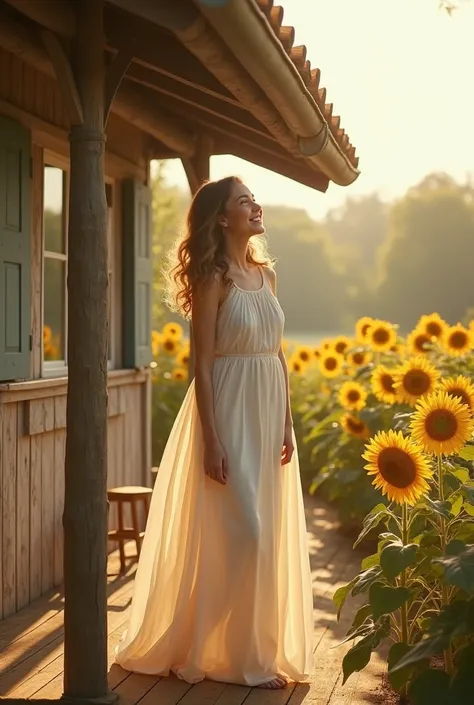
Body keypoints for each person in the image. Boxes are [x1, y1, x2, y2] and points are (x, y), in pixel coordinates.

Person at [115, 176, 313, 690]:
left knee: (263, 536)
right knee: (244, 533)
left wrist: (288, 421)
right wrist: (212, 438)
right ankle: (205, 646)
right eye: (244, 201)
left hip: (268, 411)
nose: (255, 205)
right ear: (222, 218)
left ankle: (249, 653)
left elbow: (278, 354)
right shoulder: (214, 278)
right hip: (226, 408)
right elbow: (201, 364)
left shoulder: (266, 276)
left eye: (254, 199)